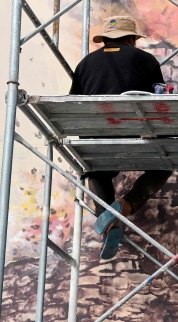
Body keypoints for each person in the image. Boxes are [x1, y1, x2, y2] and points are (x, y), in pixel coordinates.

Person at [70, 15, 172, 260]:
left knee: (96, 171)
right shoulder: (145, 59)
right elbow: (159, 102)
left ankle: (108, 223)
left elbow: (74, 104)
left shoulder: (84, 64)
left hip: (95, 141)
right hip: (135, 136)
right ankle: (125, 205)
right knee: (164, 165)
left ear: (105, 39)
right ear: (131, 39)